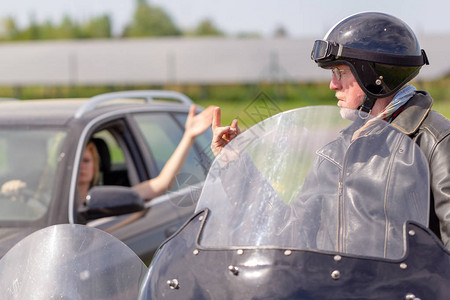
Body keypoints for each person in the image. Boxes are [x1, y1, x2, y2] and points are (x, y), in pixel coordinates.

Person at [211, 12, 450, 249]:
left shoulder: (435, 141)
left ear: (376, 76)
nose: (332, 84)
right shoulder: (336, 152)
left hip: (407, 289)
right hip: (338, 287)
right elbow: (290, 234)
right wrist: (236, 164)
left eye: (341, 72)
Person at [3, 104, 215, 207]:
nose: (81, 167)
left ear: (96, 166)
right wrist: (10, 193)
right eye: (74, 162)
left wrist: (188, 136)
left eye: (86, 161)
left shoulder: (107, 200)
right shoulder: (41, 201)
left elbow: (161, 183)